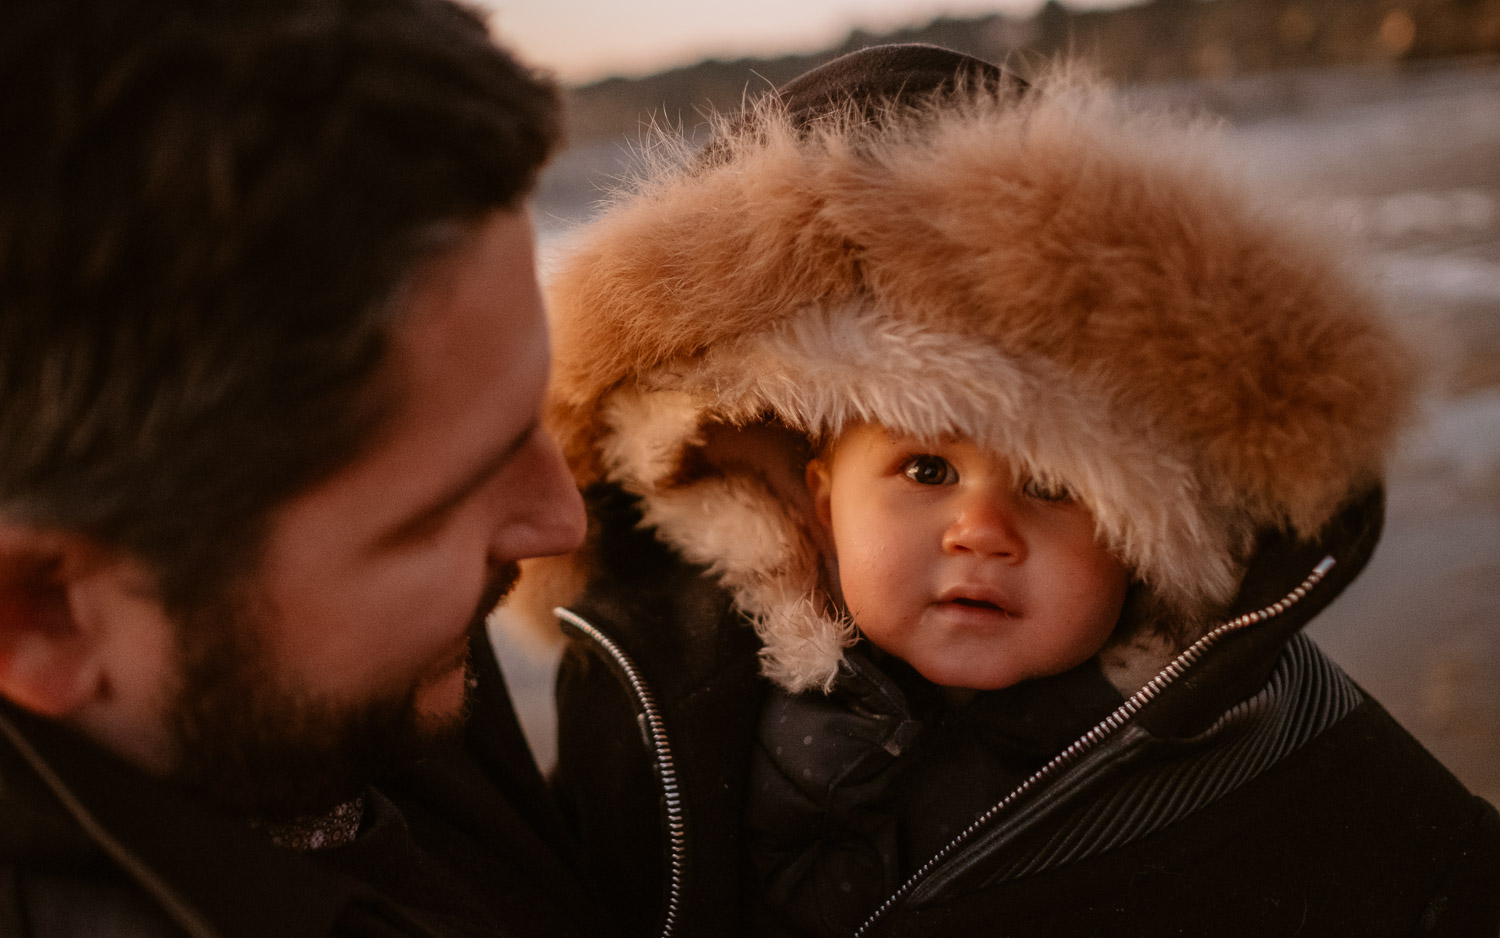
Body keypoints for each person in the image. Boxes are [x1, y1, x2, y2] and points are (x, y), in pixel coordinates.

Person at [523, 44, 1500, 937]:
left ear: (1147, 529)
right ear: (815, 501)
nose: (983, 527)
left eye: (1050, 483)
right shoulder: (652, 685)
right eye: (927, 469)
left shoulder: (1258, 736)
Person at [0, 1, 618, 935]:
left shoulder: (342, 671)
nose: (561, 520)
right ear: (44, 614)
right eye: (436, 510)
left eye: (527, 415)